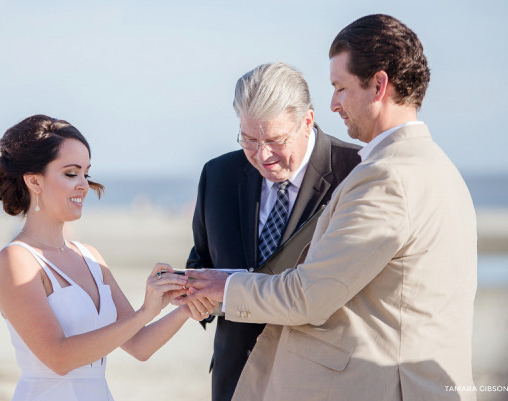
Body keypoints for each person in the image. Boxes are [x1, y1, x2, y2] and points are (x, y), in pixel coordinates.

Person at [179, 14, 477, 401]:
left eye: (340, 87)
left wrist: (228, 285)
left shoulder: (384, 177)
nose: (334, 102)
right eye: (248, 139)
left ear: (378, 85)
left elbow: (309, 295)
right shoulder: (438, 166)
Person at [0, 114, 211, 401]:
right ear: (34, 181)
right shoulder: (17, 259)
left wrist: (185, 305)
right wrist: (145, 312)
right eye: (71, 173)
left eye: (86, 173)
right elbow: (59, 358)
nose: (83, 185)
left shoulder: (90, 256)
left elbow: (139, 346)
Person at [185, 62, 361, 401]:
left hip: (325, 380)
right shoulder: (218, 174)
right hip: (236, 378)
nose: (261, 155)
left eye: (275, 140)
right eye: (248, 139)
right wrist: (193, 293)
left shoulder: (356, 171)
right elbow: (202, 260)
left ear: (307, 121)